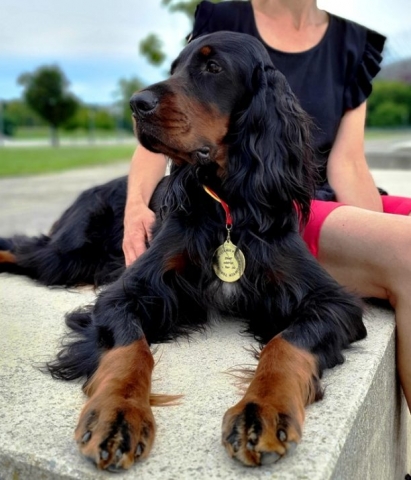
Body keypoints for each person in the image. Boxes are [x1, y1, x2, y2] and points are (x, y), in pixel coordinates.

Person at [123, 0, 411, 410]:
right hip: (280, 203)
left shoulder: (354, 42)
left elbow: (348, 161)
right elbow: (177, 115)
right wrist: (136, 205)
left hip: (302, 181)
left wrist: (373, 231)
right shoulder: (223, 19)